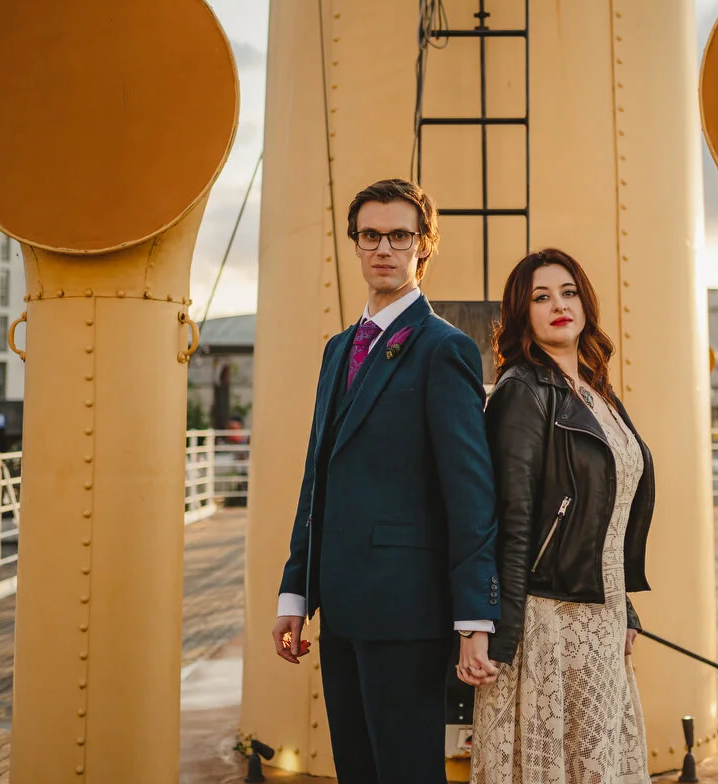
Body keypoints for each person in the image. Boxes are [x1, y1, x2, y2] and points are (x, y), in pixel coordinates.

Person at [272, 178, 501, 784]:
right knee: (357, 770)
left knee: (405, 772)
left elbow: (471, 492)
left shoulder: (445, 349)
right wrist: (296, 593)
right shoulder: (337, 349)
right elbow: (317, 476)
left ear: (424, 246)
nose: (383, 248)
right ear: (355, 243)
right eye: (370, 235)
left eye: (399, 236)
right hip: (340, 606)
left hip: (407, 610)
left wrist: (474, 618)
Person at [471, 249, 656, 784]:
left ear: (585, 303)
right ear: (522, 313)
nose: (559, 305)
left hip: (600, 611)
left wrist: (625, 609)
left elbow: (607, 512)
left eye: (568, 292)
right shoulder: (522, 391)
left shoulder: (597, 390)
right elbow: (514, 520)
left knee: (597, 762)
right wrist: (501, 634)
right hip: (548, 617)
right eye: (541, 296)